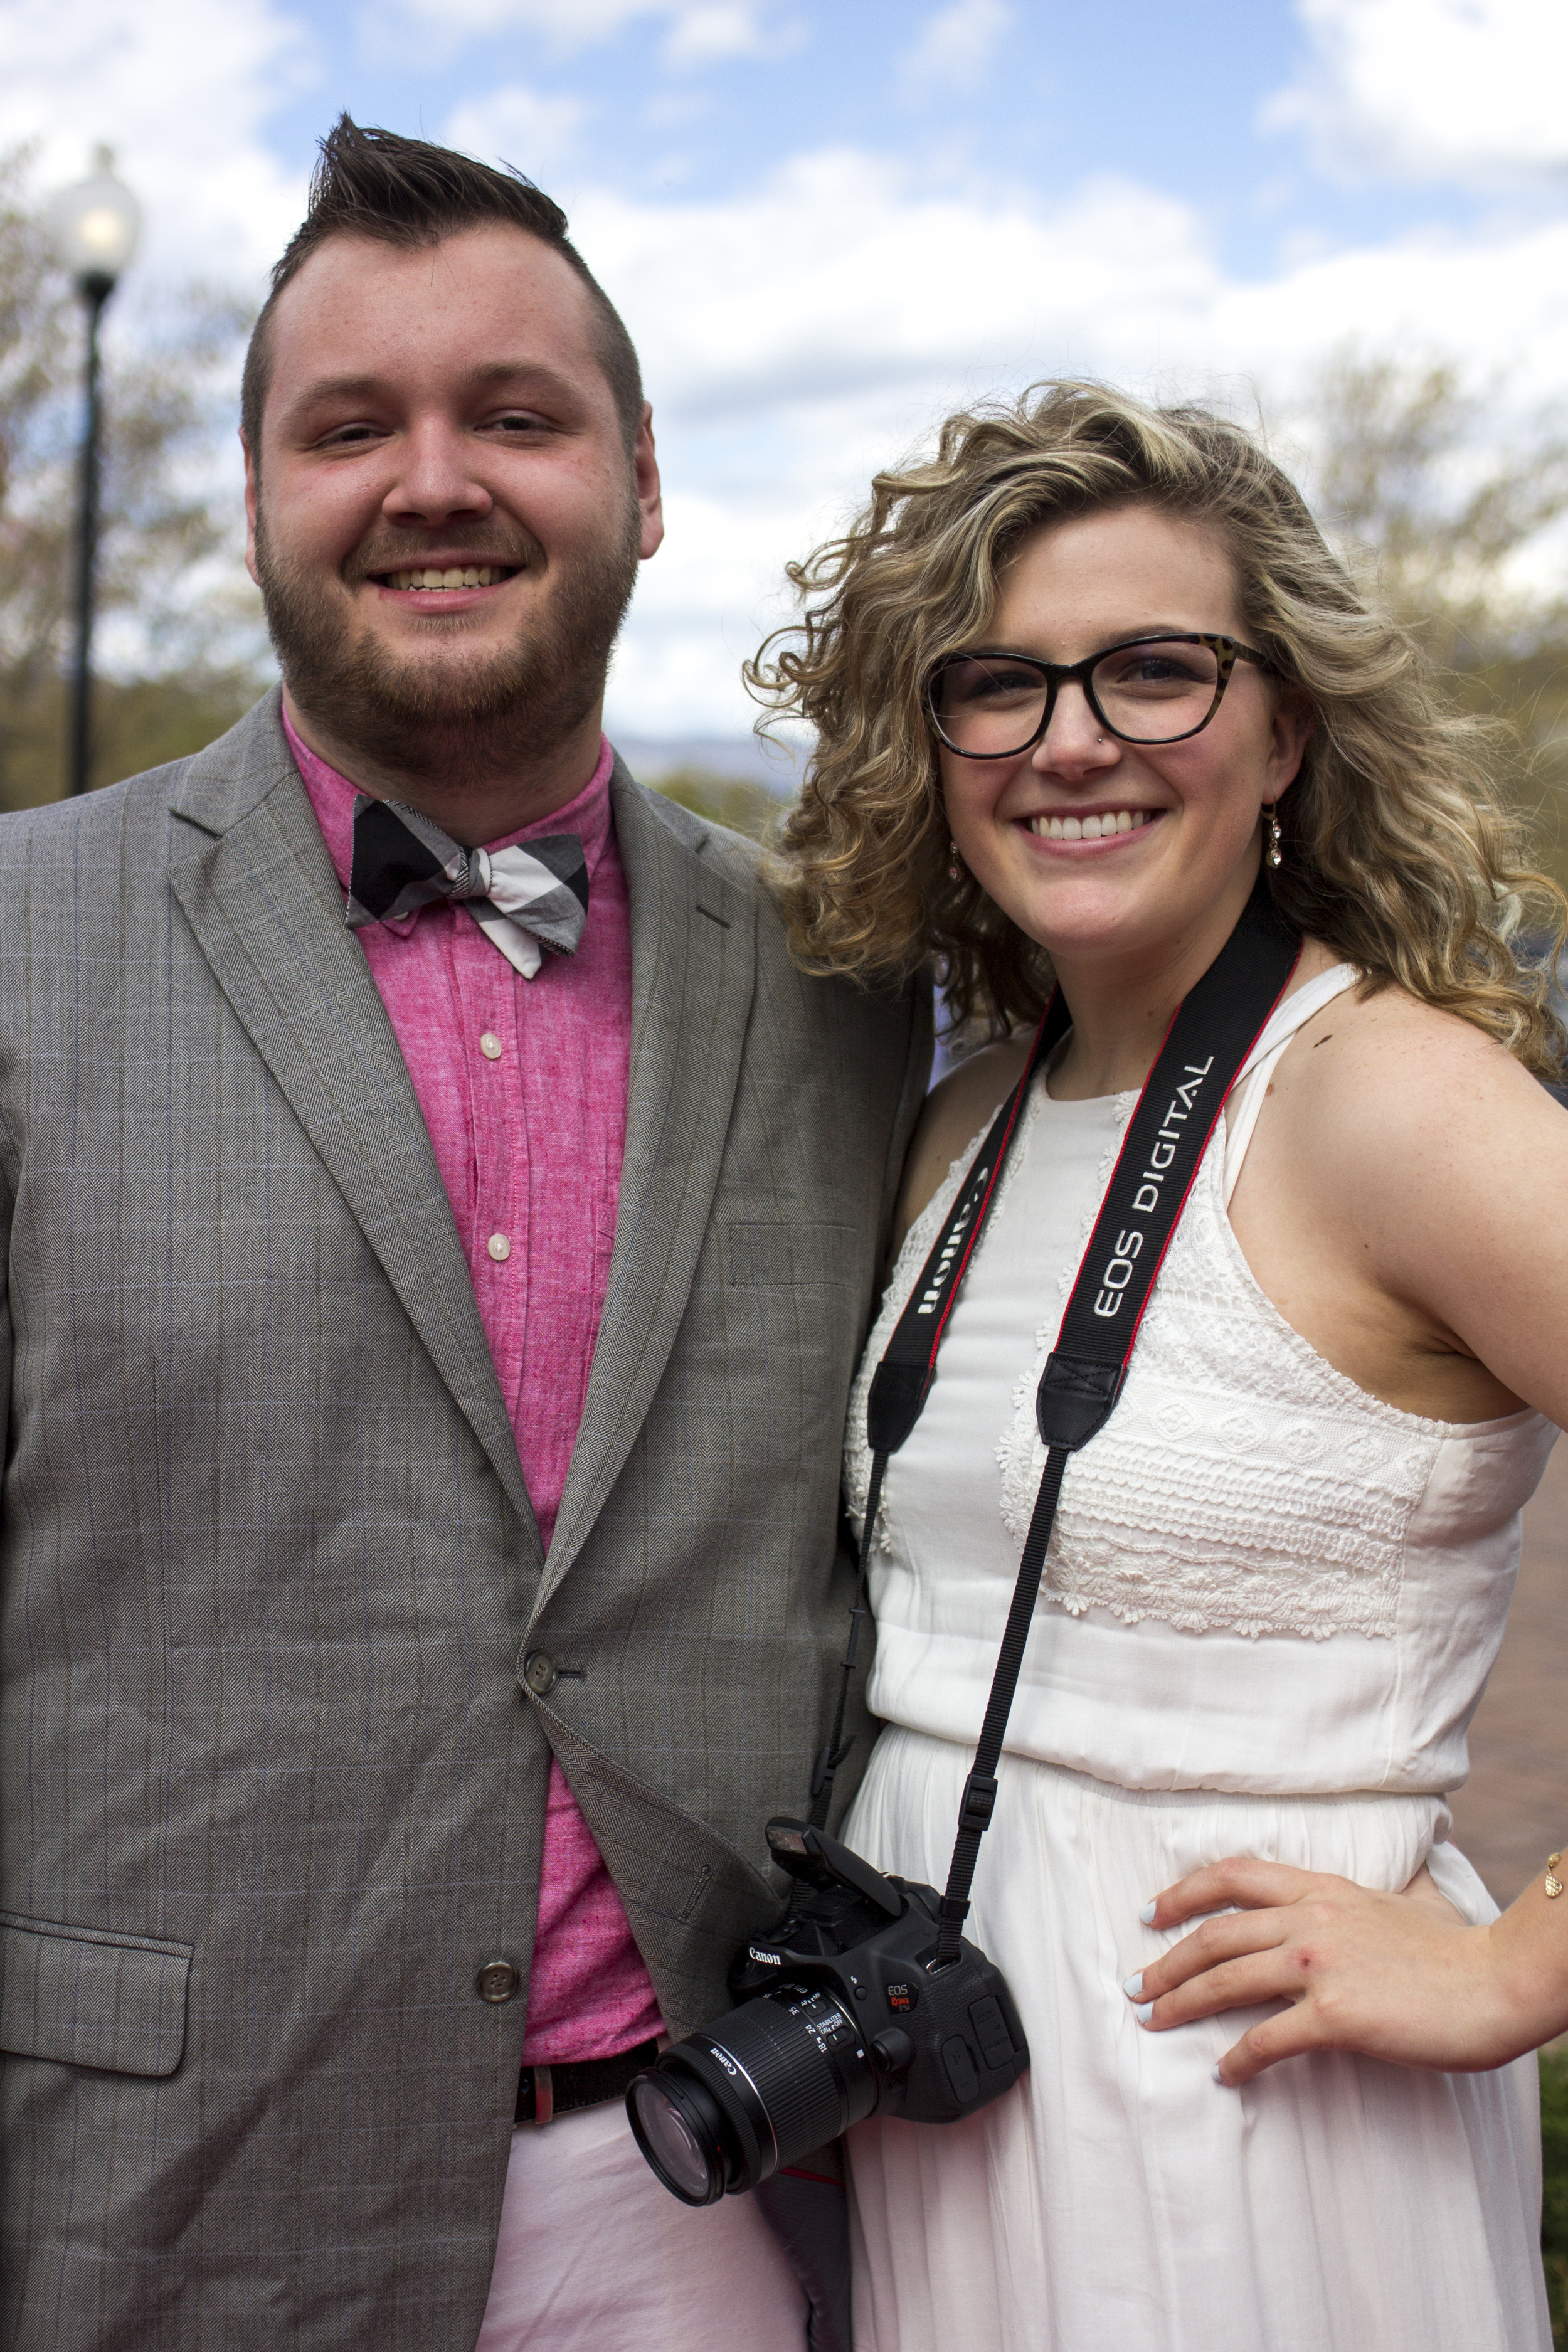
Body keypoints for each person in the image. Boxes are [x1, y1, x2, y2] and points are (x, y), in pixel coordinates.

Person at [0, 119, 928, 2352]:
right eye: (352, 427)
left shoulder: (854, 981)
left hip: (717, 2185)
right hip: (142, 2194)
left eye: (516, 415)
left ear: (643, 482)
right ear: (253, 505)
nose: (437, 479)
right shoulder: (18, 944)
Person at [756, 381, 1568, 2351]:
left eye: (1151, 672)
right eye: (999, 686)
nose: (1072, 744)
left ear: (1284, 728)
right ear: (930, 746)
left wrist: (1522, 1969)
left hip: (1251, 2122)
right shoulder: (961, 1119)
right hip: (951, 2104)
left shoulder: (1382, 1098)